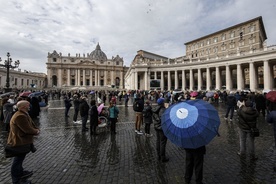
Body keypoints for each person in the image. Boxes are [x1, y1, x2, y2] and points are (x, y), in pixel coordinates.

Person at [7, 100, 40, 184]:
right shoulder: (20, 116)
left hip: (22, 141)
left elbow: (30, 124)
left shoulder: (23, 114)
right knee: (17, 161)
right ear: (23, 107)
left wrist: (35, 129)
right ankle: (16, 180)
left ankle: (20, 173)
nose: (29, 106)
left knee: (19, 160)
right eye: (27, 105)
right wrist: (36, 131)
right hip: (19, 141)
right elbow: (27, 129)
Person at [152, 98, 169, 162]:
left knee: (158, 141)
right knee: (162, 142)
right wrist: (167, 109)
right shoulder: (162, 109)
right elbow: (164, 119)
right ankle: (162, 157)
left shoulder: (155, 108)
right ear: (162, 103)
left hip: (156, 127)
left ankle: (158, 155)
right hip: (162, 128)